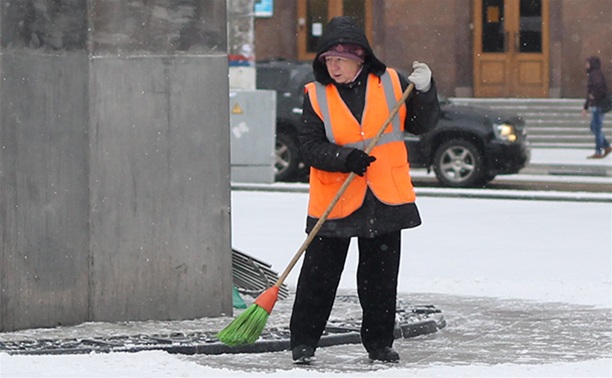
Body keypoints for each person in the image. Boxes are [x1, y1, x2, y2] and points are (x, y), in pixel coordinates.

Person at [289, 16, 440, 364]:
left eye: (340, 60)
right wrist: (344, 158)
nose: (333, 66)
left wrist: (427, 90)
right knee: (318, 276)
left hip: (385, 196)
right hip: (336, 198)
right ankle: (304, 342)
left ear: (359, 58)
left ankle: (379, 343)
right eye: (328, 60)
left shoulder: (392, 82)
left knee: (380, 280)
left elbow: (421, 124)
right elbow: (308, 147)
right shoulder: (316, 94)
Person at [582, 56, 611, 159]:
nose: (586, 65)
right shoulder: (593, 74)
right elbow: (590, 92)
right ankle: (606, 146)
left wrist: (594, 97)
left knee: (597, 129)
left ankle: (598, 151)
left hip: (598, 106)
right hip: (596, 105)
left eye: (588, 63)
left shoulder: (595, 75)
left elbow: (596, 90)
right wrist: (586, 106)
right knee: (594, 127)